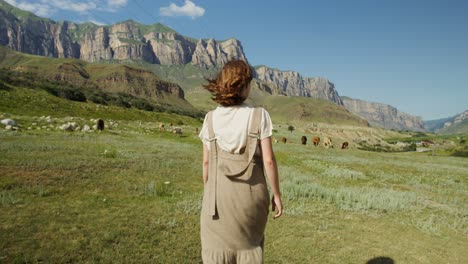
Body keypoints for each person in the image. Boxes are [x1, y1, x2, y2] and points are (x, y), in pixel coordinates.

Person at [198, 60, 283, 263]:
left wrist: (210, 193)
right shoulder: (259, 116)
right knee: (250, 249)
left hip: (217, 200)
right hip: (251, 198)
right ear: (243, 86)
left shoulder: (210, 118)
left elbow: (206, 164)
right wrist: (277, 194)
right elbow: (269, 161)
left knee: (215, 251)